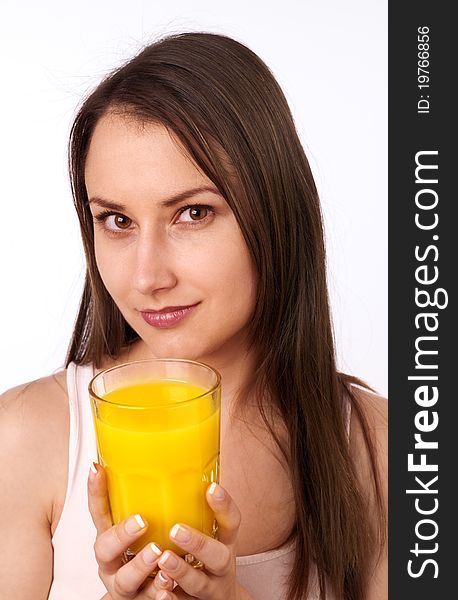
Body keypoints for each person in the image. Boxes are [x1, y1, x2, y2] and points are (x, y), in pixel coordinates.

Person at [0, 32, 387, 600]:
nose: (147, 277)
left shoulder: (383, 450)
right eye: (117, 221)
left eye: (192, 212)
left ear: (275, 210)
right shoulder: (25, 440)